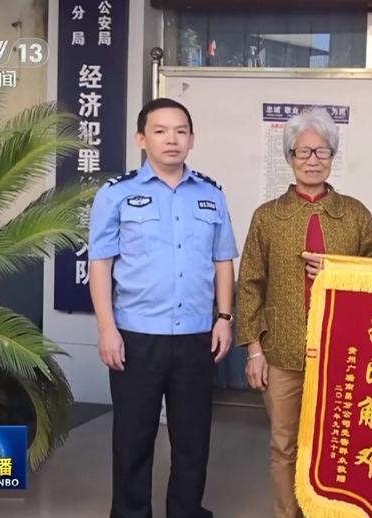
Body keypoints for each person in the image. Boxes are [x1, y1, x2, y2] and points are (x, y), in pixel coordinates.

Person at [88, 98, 238, 518]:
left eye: (180, 131)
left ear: (192, 139)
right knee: (133, 437)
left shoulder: (211, 194)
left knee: (193, 438)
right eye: (160, 131)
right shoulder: (116, 194)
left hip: (196, 335)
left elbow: (223, 260)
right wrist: (106, 329)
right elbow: (100, 264)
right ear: (142, 139)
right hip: (137, 336)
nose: (171, 139)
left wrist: (224, 318)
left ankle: (186, 511)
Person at [236, 107, 372, 518]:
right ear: (289, 157)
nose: (313, 160)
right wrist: (254, 351)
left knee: (337, 446)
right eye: (303, 152)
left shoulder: (354, 213)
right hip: (282, 354)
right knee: (284, 445)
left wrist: (340, 271)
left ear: (332, 156)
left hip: (344, 355)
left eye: (322, 151)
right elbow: (249, 284)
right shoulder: (268, 216)